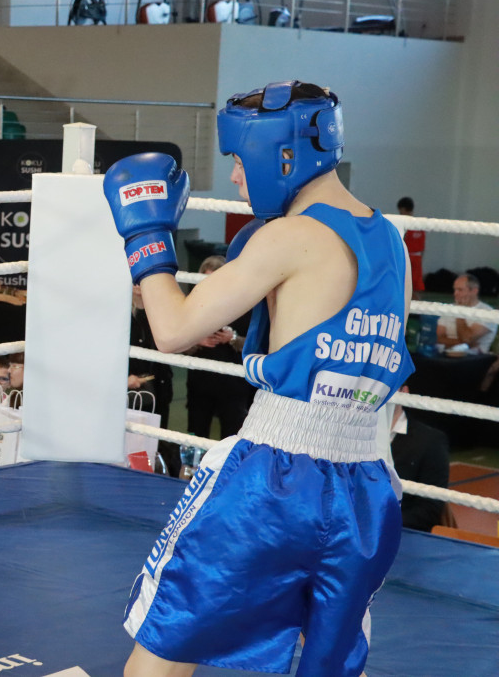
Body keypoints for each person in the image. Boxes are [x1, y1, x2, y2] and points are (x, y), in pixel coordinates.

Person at [105, 80, 413, 677]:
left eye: (238, 162)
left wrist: (146, 237)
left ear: (284, 154)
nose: (238, 180)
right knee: (330, 665)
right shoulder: (392, 244)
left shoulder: (289, 236)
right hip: (367, 489)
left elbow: (170, 329)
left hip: (275, 481)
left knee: (165, 647)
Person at [181, 255, 251, 439]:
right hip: (200, 383)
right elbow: (177, 342)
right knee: (196, 434)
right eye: (206, 279)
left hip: (232, 385)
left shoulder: (243, 304)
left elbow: (257, 345)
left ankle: (228, 469)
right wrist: (197, 340)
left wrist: (233, 338)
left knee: (231, 436)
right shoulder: (192, 305)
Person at [128, 283, 177, 475]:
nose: (138, 285)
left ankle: (153, 478)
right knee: (130, 440)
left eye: (142, 280)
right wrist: (124, 379)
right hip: (129, 389)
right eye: (135, 280)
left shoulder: (161, 312)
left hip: (159, 385)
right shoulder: (118, 312)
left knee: (156, 438)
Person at [389, 386, 450, 532]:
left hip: (404, 536)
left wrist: (383, 523)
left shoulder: (430, 441)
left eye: (388, 386)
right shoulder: (353, 433)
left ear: (404, 392)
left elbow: (430, 510)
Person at [436, 273, 497, 354]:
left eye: (460, 290)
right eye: (455, 290)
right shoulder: (450, 308)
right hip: (444, 355)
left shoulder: (487, 312)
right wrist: (465, 344)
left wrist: (460, 312)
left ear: (474, 291)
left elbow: (466, 338)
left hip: (472, 358)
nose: (455, 294)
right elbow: (438, 338)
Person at [396, 197, 425, 297]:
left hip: (410, 259)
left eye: (401, 212)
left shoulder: (408, 225)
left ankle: (416, 310)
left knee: (412, 286)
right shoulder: (420, 224)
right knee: (412, 286)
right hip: (414, 258)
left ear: (404, 210)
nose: (400, 214)